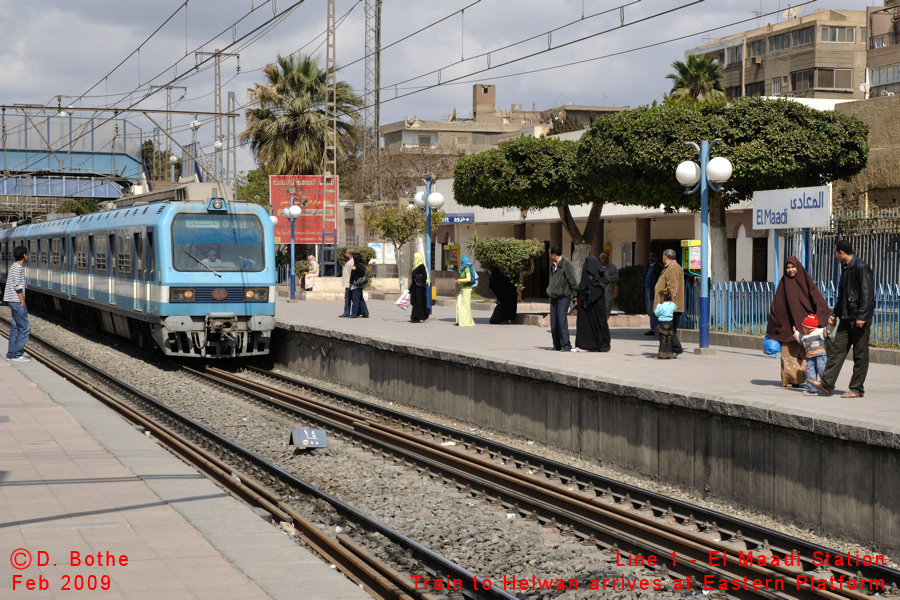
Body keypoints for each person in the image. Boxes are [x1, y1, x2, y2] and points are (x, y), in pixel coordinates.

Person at [810, 241, 875, 398]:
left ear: (841, 252)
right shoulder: (845, 269)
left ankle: (856, 389)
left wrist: (861, 316)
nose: (835, 256)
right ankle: (826, 383)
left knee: (860, 355)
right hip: (846, 317)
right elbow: (843, 295)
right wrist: (835, 314)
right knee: (837, 350)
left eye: (835, 253)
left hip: (859, 319)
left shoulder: (861, 267)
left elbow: (867, 294)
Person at [766, 257, 831, 387]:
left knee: (806, 355)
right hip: (788, 324)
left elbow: (816, 297)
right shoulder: (783, 283)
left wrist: (821, 317)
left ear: (798, 267)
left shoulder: (805, 280)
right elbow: (777, 304)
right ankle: (789, 380)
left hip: (806, 325)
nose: (791, 270)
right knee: (788, 353)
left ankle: (810, 380)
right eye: (788, 268)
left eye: (793, 267)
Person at [573, 255, 611, 352]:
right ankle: (583, 345)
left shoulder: (600, 281)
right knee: (584, 324)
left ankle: (598, 345)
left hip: (596, 309)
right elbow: (582, 289)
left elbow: (597, 291)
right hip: (586, 308)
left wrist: (589, 295)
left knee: (597, 323)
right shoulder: (584, 281)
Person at [792, 314, 834, 395]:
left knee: (822, 371)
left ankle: (827, 385)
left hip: (820, 357)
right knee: (809, 372)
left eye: (804, 327)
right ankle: (811, 389)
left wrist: (832, 324)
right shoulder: (804, 337)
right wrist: (796, 333)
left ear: (809, 328)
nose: (803, 329)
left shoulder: (819, 332)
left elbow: (828, 330)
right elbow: (800, 339)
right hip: (809, 358)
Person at [546, 246, 578, 351]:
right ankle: (557, 344)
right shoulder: (553, 265)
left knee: (561, 320)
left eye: (550, 253)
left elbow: (572, 280)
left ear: (554, 254)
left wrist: (575, 295)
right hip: (554, 297)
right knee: (554, 322)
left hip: (563, 297)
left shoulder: (566, 263)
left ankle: (566, 345)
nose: (549, 256)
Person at [653, 249, 685, 357]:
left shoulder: (673, 268)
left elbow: (672, 287)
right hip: (669, 305)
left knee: (669, 328)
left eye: (662, 258)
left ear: (665, 257)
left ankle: (676, 348)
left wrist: (666, 302)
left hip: (670, 305)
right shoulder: (670, 267)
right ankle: (670, 349)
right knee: (669, 329)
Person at [4, 246, 31, 362]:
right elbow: (17, 285)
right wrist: (23, 301)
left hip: (13, 300)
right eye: (27, 254)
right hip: (16, 301)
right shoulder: (18, 267)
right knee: (25, 328)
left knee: (15, 327)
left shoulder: (14, 267)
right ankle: (17, 354)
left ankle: (11, 353)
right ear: (24, 255)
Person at [644, 252, 663, 336]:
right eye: (650, 256)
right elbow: (645, 275)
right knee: (649, 310)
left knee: (651, 310)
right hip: (647, 289)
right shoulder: (648, 265)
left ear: (656, 257)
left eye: (652, 256)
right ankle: (655, 326)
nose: (651, 258)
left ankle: (654, 328)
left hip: (653, 290)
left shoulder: (658, 267)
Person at [455, 255, 478, 327]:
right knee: (459, 304)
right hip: (463, 288)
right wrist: (460, 282)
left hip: (467, 289)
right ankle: (461, 321)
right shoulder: (464, 268)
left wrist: (459, 280)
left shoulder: (467, 268)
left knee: (465, 306)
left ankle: (466, 322)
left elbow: (468, 279)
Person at [654, 289, 676, 359]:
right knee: (668, 339)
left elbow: (657, 313)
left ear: (662, 298)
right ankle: (669, 354)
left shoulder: (661, 306)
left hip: (663, 324)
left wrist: (658, 306)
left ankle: (661, 354)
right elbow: (675, 307)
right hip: (670, 323)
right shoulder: (672, 305)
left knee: (662, 339)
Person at [409, 252, 430, 323]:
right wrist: (410, 288)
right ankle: (417, 316)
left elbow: (425, 277)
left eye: (414, 257)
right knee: (413, 301)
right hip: (415, 287)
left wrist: (417, 276)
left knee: (418, 302)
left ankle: (416, 317)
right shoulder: (414, 266)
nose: (413, 258)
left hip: (420, 287)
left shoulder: (421, 266)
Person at [598, 252, 619, 320]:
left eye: (605, 258)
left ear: (608, 259)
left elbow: (616, 278)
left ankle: (603, 325)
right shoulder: (597, 267)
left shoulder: (612, 267)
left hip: (608, 292)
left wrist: (608, 277)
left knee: (606, 311)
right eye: (602, 258)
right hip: (598, 293)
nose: (603, 260)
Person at [349, 252, 369, 318]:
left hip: (356, 285)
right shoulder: (361, 265)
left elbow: (355, 275)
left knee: (355, 299)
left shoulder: (357, 266)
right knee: (360, 299)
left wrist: (354, 270)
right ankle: (365, 312)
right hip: (361, 284)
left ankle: (354, 314)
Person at [339, 249, 354, 317]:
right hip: (347, 283)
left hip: (349, 283)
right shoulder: (348, 261)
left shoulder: (351, 262)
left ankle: (347, 312)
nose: (345, 254)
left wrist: (350, 283)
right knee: (347, 298)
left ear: (349, 254)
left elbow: (351, 273)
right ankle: (346, 311)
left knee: (348, 298)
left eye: (346, 253)